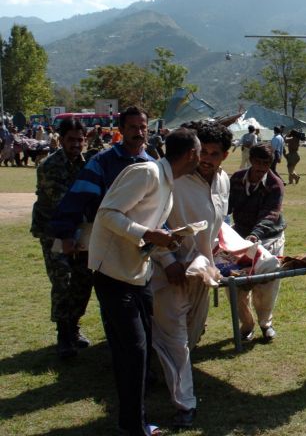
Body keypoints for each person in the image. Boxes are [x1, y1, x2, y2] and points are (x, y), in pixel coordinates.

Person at [90, 128, 200, 436]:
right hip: (112, 272)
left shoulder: (167, 181)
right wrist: (150, 235)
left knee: (137, 351)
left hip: (136, 273)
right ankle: (134, 426)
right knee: (134, 352)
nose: (202, 158)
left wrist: (168, 243)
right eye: (200, 152)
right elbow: (108, 214)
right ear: (191, 154)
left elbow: (145, 227)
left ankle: (133, 422)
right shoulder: (146, 172)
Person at [151, 121, 231, 429]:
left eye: (215, 153)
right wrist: (167, 259)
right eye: (204, 152)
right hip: (168, 273)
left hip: (203, 272)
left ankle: (160, 372)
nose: (208, 159)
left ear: (226, 155)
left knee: (192, 336)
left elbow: (217, 224)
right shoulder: (174, 179)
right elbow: (151, 223)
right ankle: (185, 404)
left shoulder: (223, 182)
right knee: (176, 341)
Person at [48, 107, 153, 247]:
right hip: (108, 243)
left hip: (144, 242)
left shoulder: (153, 166)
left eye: (142, 127)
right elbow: (77, 199)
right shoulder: (102, 162)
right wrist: (66, 233)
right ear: (121, 129)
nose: (139, 132)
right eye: (133, 127)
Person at [30, 118, 91, 359]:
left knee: (83, 280)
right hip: (54, 232)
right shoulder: (49, 166)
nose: (76, 144)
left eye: (80, 139)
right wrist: (67, 235)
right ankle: (63, 333)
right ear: (61, 139)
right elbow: (61, 204)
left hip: (81, 231)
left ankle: (74, 326)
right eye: (71, 139)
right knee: (63, 280)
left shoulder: (88, 165)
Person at [228, 143, 286, 342]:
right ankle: (247, 324)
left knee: (266, 283)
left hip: (269, 238)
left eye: (267, 163)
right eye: (258, 162)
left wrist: (254, 235)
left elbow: (270, 214)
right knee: (235, 283)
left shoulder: (275, 184)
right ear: (251, 160)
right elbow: (225, 206)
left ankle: (265, 324)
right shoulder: (236, 179)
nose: (262, 167)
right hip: (239, 237)